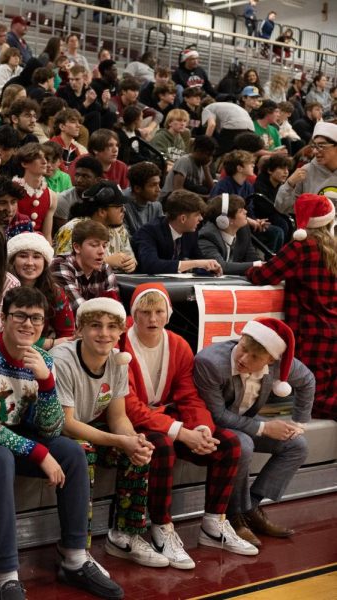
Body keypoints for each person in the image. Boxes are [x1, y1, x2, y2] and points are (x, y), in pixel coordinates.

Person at [0, 286, 123, 600]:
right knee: (1, 458)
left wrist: (46, 384)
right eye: (19, 316)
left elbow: (50, 429)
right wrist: (37, 452)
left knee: (73, 452)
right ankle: (7, 576)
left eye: (35, 318)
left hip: (19, 437)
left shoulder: (44, 359)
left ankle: (74, 559)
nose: (28, 324)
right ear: (3, 318)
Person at [122, 284, 260, 567]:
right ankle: (161, 527)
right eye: (145, 312)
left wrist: (200, 429)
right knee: (161, 445)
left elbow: (189, 395)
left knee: (229, 444)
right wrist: (180, 432)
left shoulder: (177, 344)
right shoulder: (121, 344)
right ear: (134, 313)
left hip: (169, 420)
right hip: (132, 423)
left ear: (169, 313)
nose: (152, 319)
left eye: (159, 311)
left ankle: (214, 523)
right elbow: (130, 407)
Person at [51, 298, 161, 568]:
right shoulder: (61, 360)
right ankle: (76, 547)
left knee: (137, 449)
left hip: (86, 429)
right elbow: (67, 423)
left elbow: (118, 417)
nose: (104, 333)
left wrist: (132, 440)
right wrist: (119, 440)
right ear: (79, 330)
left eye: (112, 327)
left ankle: (125, 535)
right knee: (82, 452)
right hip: (53, 433)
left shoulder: (117, 361)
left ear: (121, 332)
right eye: (95, 326)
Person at [194, 318, 314, 547]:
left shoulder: (280, 364)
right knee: (243, 444)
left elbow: (307, 380)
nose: (243, 358)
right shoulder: (210, 362)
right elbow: (217, 414)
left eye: (255, 357)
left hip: (245, 419)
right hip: (211, 423)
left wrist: (300, 423)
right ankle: (233, 516)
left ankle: (251, 507)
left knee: (297, 445)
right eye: (243, 349)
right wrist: (265, 427)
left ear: (271, 359)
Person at [246, 193, 337, 420]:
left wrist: (251, 268)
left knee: (313, 399)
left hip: (312, 332)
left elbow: (264, 275)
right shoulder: (333, 248)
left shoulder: (302, 246)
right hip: (333, 329)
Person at [7, 232, 74, 352]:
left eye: (36, 257)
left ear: (45, 262)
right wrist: (49, 343)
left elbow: (67, 334)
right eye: (23, 256)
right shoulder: (2, 288)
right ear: (12, 261)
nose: (30, 262)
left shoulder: (55, 292)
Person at [132, 190, 223, 276]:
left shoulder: (190, 233)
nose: (201, 219)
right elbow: (151, 265)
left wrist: (210, 267)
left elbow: (199, 260)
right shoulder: (149, 232)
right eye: (197, 215)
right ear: (183, 218)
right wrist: (196, 263)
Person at [54, 181, 136, 274]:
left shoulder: (120, 229)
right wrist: (106, 262)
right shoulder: (72, 229)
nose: (123, 210)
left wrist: (131, 263)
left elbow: (131, 258)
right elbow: (61, 268)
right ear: (102, 212)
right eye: (118, 207)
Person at [50, 220, 120, 313]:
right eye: (94, 245)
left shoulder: (105, 268)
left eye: (104, 245)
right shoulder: (60, 265)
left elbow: (116, 310)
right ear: (77, 248)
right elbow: (80, 311)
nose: (102, 251)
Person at [274, 122, 337, 214]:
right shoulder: (306, 171)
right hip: (314, 227)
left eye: (321, 146)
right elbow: (282, 208)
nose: (315, 151)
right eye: (314, 146)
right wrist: (289, 184)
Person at [198, 194, 264, 275]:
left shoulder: (243, 230)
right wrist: (257, 265)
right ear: (225, 220)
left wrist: (262, 265)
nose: (246, 211)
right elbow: (220, 266)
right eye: (241, 211)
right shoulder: (207, 236)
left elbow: (252, 258)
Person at [158, 136, 216, 202]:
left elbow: (213, 190)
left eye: (212, 156)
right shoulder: (185, 161)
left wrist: (206, 169)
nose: (210, 158)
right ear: (198, 151)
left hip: (185, 199)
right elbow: (177, 190)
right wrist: (202, 197)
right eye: (208, 155)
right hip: (169, 198)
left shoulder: (202, 166)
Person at [54, 155, 103, 230]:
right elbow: (64, 232)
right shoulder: (63, 199)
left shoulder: (103, 198)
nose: (79, 180)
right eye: (77, 175)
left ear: (98, 180)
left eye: (85, 176)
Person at [122, 162, 162, 238]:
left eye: (158, 184)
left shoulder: (157, 206)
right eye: (153, 185)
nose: (158, 189)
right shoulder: (122, 206)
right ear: (137, 188)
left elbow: (160, 234)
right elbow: (125, 239)